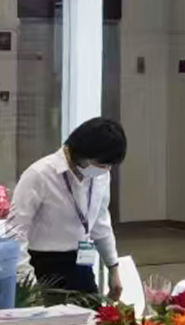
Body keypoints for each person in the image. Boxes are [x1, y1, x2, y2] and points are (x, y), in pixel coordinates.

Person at [9, 118, 126, 297]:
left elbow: (100, 223)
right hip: (42, 266)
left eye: (110, 166)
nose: (106, 170)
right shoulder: (39, 175)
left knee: (93, 314)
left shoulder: (100, 176)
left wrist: (113, 268)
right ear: (82, 153)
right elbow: (15, 234)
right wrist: (28, 286)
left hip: (82, 263)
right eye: (101, 165)